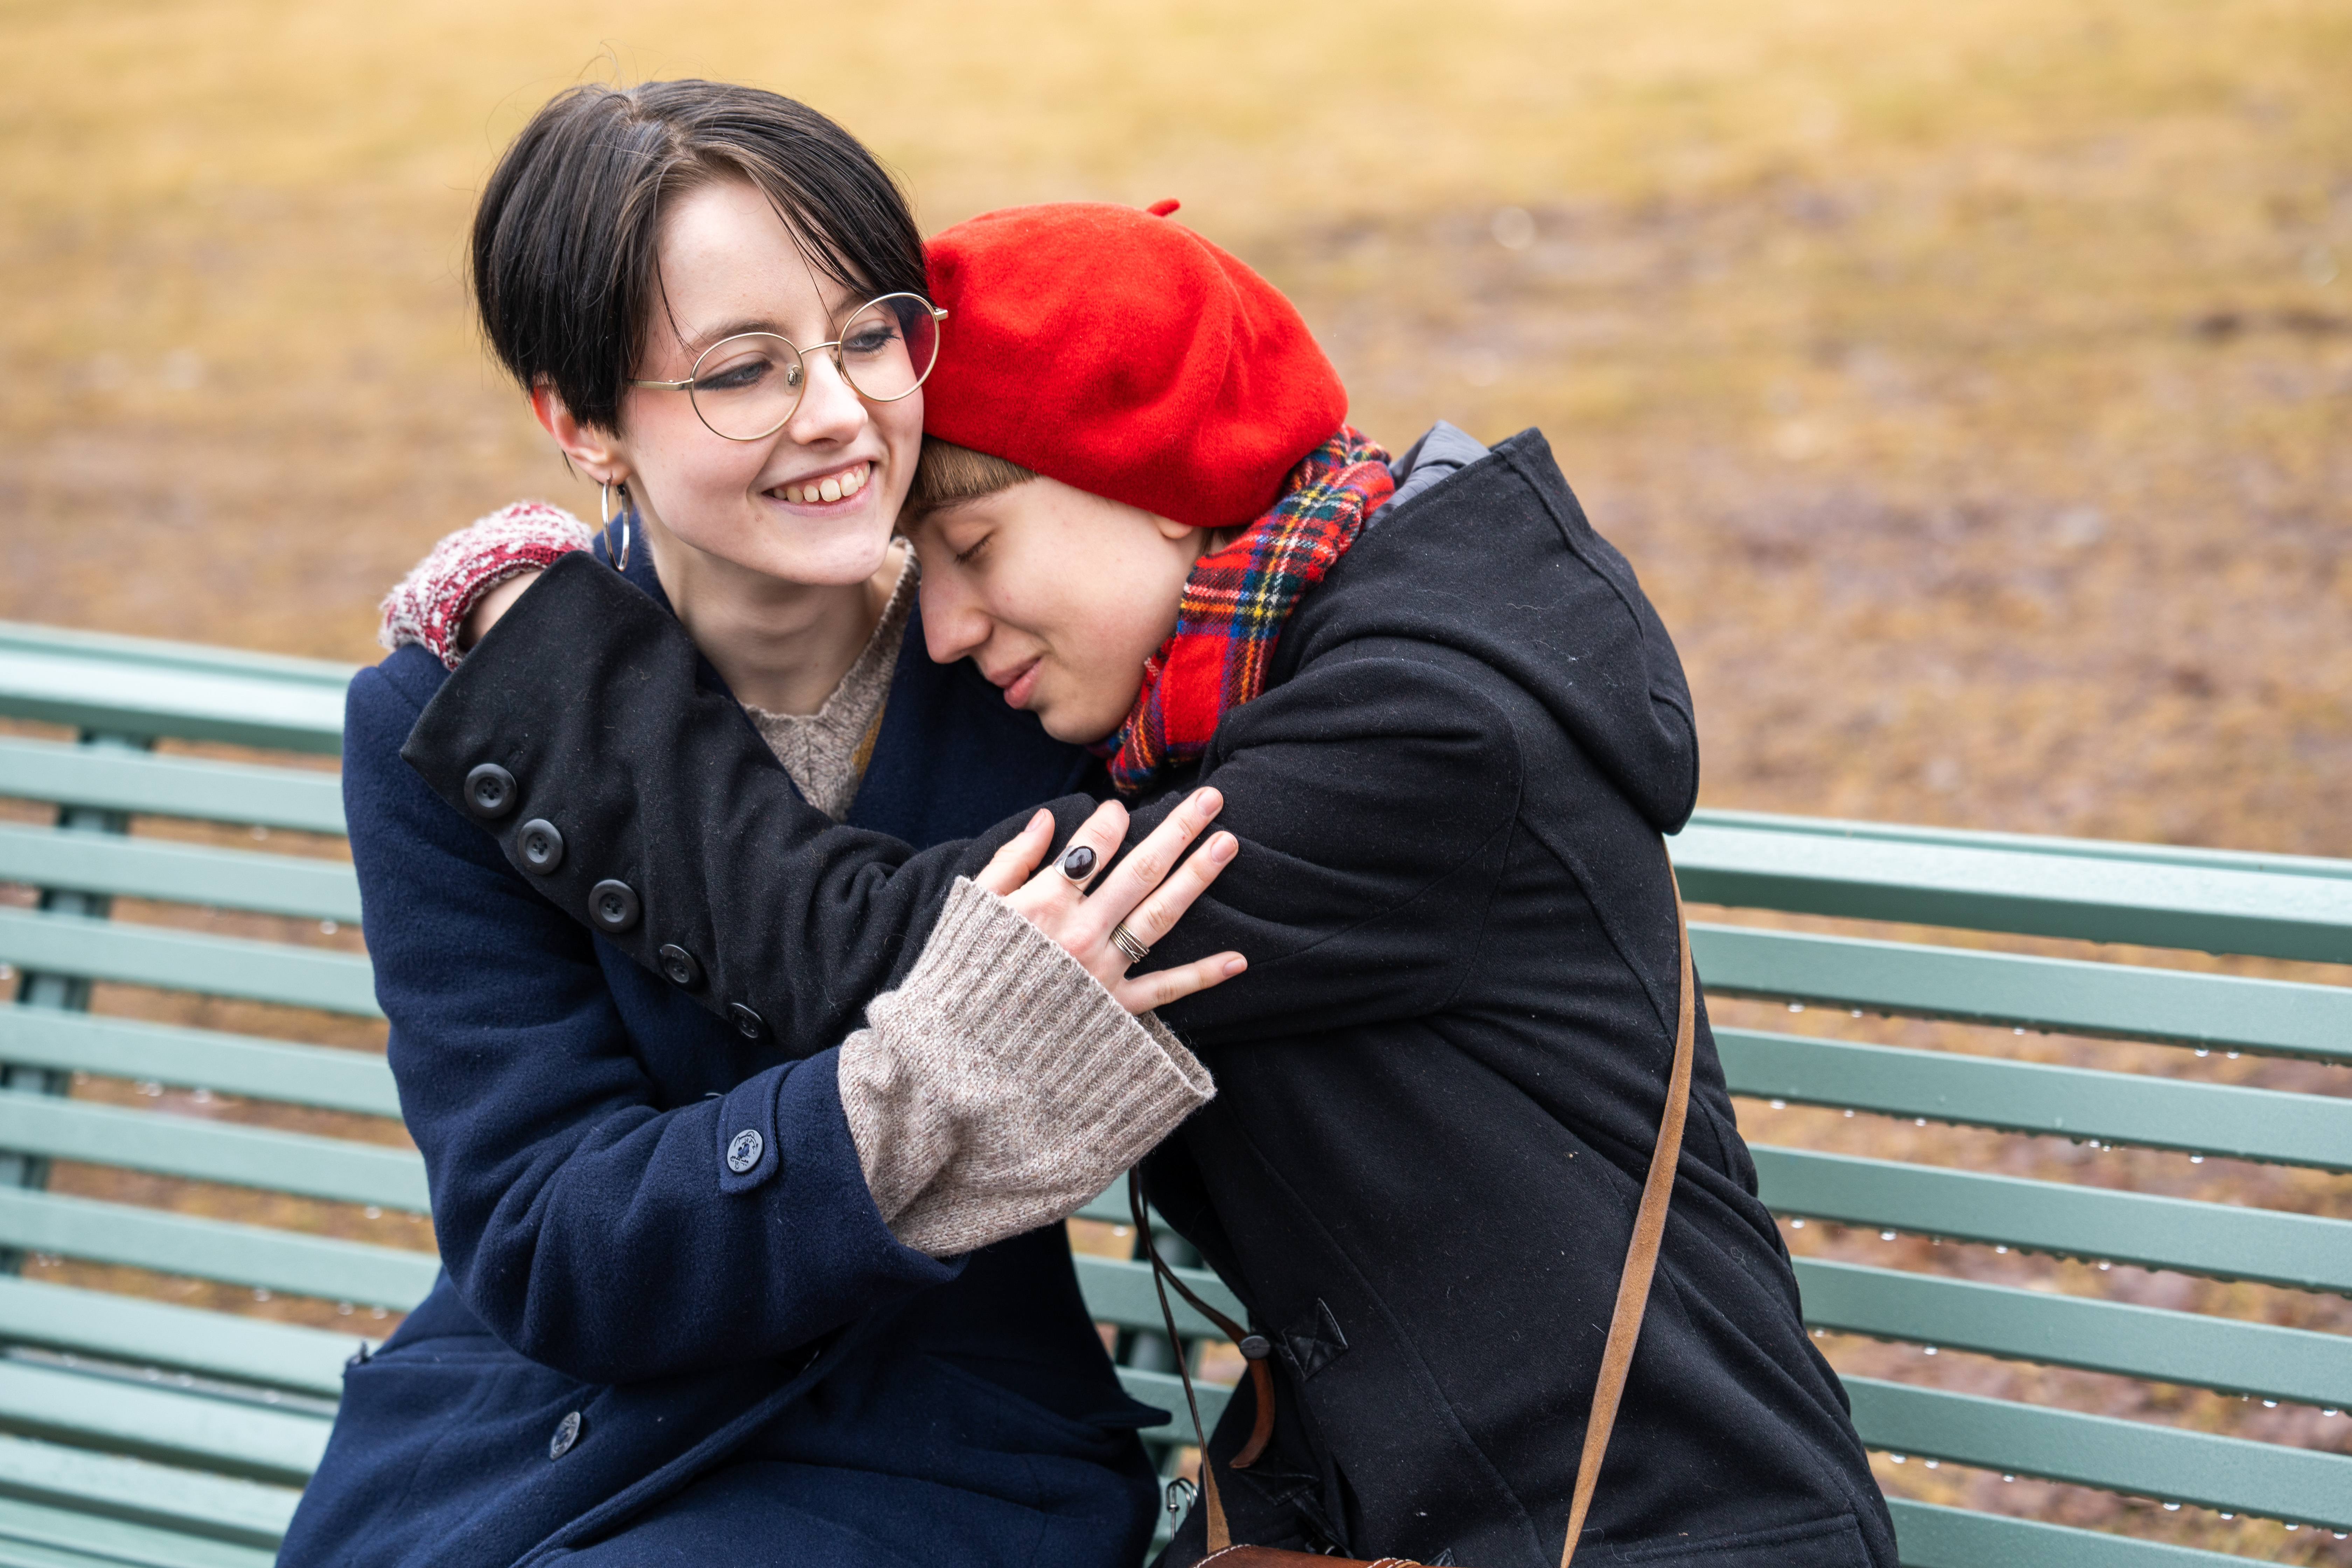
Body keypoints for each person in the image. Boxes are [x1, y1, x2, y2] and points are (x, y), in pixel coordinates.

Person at [390, 202, 1898, 1567]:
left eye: (973, 548)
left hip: (1674, 1534)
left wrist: (542, 640)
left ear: (1166, 484)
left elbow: (852, 944)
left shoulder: (1418, 743)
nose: (947, 632)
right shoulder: (1231, 697)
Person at [283, 83, 1256, 1568]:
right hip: (536, 1438)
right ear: (579, 420)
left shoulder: (1028, 661)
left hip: (942, 1444)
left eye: (870, 334)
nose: (840, 413)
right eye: (743, 371)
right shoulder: (453, 718)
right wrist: (923, 1084)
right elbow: (551, 1238)